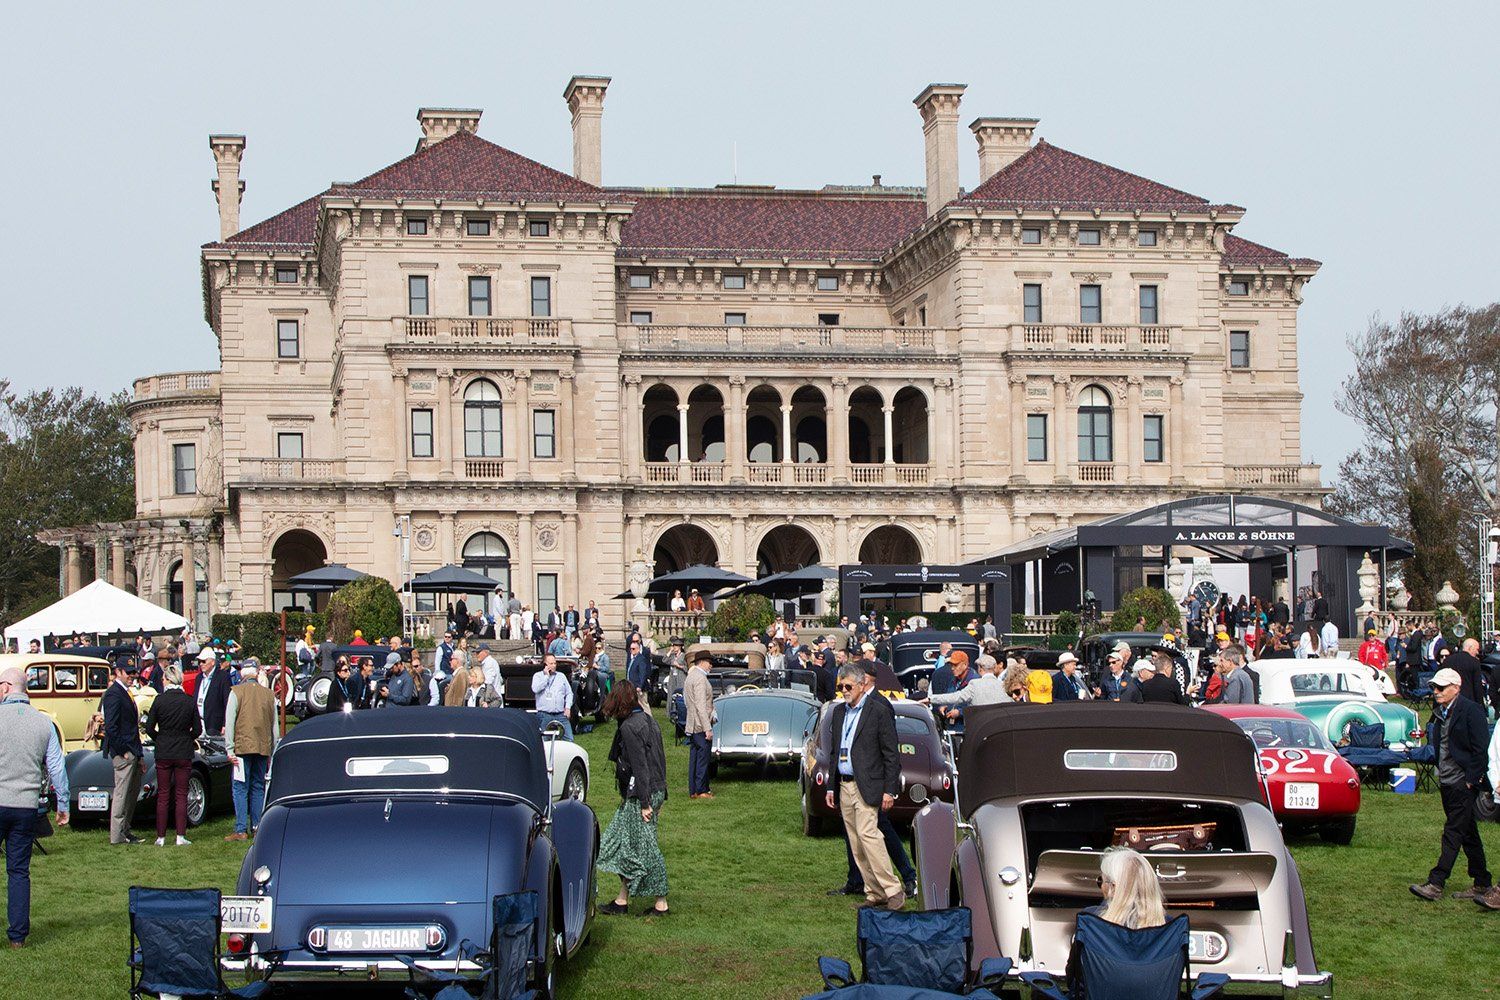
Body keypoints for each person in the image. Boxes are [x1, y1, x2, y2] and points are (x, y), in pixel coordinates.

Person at [823, 662, 905, 910]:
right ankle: (875, 892)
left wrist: (890, 790)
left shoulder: (878, 711)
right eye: (841, 686)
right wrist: (830, 786)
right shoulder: (838, 713)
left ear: (861, 685)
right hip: (844, 784)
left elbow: (891, 754)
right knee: (856, 841)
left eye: (848, 686)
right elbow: (835, 752)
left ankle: (894, 890)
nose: (844, 690)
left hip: (868, 785)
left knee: (870, 836)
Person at [1408, 667, 1492, 902]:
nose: (1436, 691)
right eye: (1434, 687)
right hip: (1447, 780)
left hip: (1461, 782)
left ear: (1456, 688)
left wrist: (1471, 780)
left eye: (1441, 687)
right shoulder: (1442, 712)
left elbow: (1480, 749)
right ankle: (1482, 881)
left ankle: (1436, 882)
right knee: (1467, 832)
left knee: (1453, 832)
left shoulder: (1471, 711)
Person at [0, 665, 70, 947]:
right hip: (26, 806)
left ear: (5, 687)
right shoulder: (44, 723)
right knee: (18, 871)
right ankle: (17, 937)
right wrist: (63, 802)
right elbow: (56, 765)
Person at [597, 681, 670, 916]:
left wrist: (646, 803)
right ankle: (622, 900)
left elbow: (640, 766)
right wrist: (662, 795)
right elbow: (660, 759)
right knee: (619, 844)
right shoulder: (649, 720)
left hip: (641, 794)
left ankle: (661, 903)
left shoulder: (629, 727)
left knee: (645, 848)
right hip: (652, 789)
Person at [142, 663, 201, 846]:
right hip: (183, 750)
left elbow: (149, 727)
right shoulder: (189, 700)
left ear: (167, 679)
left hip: (164, 750)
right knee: (182, 794)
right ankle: (180, 836)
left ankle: (160, 837)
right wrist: (186, 737)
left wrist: (160, 738)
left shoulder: (159, 700)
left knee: (164, 794)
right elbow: (198, 729)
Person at [223, 662, 277, 841]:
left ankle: (240, 829)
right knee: (257, 786)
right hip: (262, 747)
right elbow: (274, 726)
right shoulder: (269, 694)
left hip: (241, 747)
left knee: (240, 787)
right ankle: (257, 826)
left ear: (242, 674)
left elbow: (230, 723)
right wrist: (273, 748)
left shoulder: (236, 692)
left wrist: (229, 749)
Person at [102, 660, 146, 844]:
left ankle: (125, 831)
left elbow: (132, 727)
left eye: (133, 672)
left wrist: (140, 755)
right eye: (128, 672)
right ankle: (117, 835)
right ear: (118, 672)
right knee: (121, 794)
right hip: (124, 753)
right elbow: (111, 727)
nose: (131, 676)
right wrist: (123, 751)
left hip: (132, 750)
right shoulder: (113, 694)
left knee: (130, 793)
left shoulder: (124, 692)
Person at [924, 653, 1008, 712]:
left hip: (978, 728)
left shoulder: (974, 684)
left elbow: (956, 697)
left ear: (980, 668)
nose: (952, 668)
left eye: (955, 665)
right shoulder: (1003, 685)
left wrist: (931, 699)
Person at [684, 649, 715, 799]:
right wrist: (707, 728)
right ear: (702, 662)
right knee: (703, 758)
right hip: (700, 725)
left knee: (695, 758)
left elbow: (687, 701)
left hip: (692, 723)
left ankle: (694, 790)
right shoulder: (700, 679)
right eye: (709, 662)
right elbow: (701, 706)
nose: (711, 666)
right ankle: (702, 789)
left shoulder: (690, 676)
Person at [532, 653, 575, 738]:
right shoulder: (538, 676)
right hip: (544, 714)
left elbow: (569, 693)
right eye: (551, 664)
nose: (554, 665)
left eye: (555, 663)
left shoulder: (561, 676)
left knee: (569, 739)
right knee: (545, 741)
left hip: (560, 714)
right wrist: (546, 677)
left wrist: (567, 707)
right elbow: (535, 689)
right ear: (545, 664)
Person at [195, 648, 231, 736]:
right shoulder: (199, 678)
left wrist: (225, 724)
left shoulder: (223, 677)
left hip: (214, 724)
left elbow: (227, 701)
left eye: (204, 661)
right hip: (199, 723)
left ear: (212, 662)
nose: (201, 664)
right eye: (199, 661)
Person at [1445, 638, 1486, 708]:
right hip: (1469, 700)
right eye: (1476, 649)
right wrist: (1480, 704)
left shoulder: (1448, 660)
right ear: (1470, 648)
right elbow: (1477, 686)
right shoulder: (1474, 662)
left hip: (1450, 699)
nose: (1477, 652)